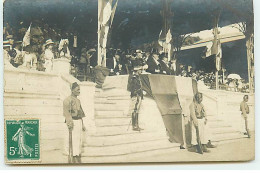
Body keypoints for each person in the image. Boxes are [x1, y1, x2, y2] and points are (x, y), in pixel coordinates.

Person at [63, 82, 86, 163]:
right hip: (72, 123)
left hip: (78, 122)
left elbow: (80, 113)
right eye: (77, 89)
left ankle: (77, 155)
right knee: (72, 141)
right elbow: (67, 113)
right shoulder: (67, 100)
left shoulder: (78, 100)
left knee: (78, 140)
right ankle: (72, 158)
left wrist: (83, 124)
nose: (79, 91)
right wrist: (70, 123)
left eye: (79, 89)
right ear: (72, 90)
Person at [128, 66, 144, 131]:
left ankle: (137, 125)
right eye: (140, 70)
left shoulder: (138, 77)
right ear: (137, 70)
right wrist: (136, 94)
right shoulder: (134, 78)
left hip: (139, 95)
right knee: (134, 110)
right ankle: (134, 126)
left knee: (137, 110)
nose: (141, 71)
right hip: (136, 95)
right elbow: (133, 87)